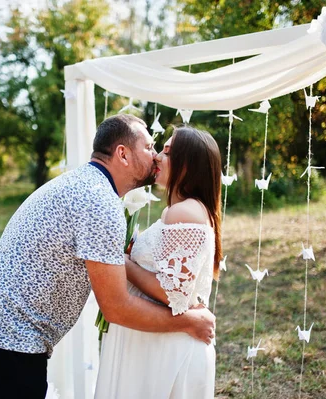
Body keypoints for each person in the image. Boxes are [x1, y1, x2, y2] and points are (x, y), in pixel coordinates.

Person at [0, 114, 216, 399]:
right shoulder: (99, 202)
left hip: (1, 328)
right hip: (9, 335)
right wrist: (189, 322)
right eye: (149, 147)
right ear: (122, 154)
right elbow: (116, 307)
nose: (155, 157)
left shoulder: (89, 186)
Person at [95, 126, 223, 399]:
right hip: (152, 340)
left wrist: (121, 262)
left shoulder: (185, 212)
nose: (157, 158)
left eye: (167, 151)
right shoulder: (178, 210)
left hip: (166, 348)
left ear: (187, 164)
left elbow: (173, 293)